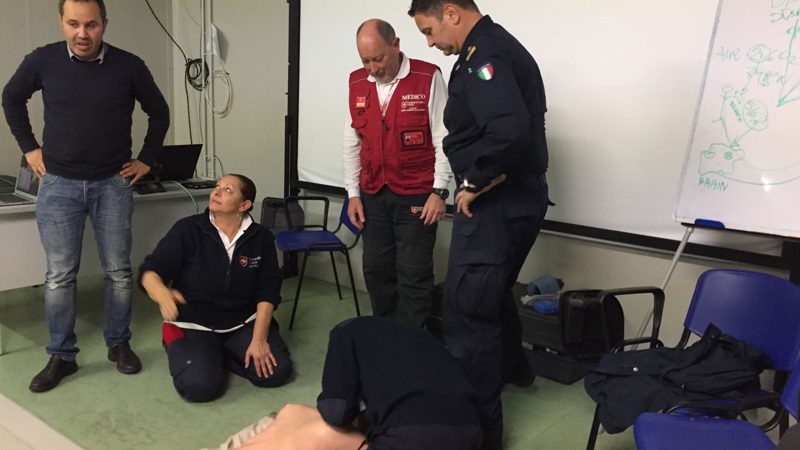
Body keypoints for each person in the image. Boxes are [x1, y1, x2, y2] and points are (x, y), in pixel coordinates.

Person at [1, 0, 170, 393]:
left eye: (91, 25)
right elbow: (11, 98)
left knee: (118, 273)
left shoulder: (129, 65)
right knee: (59, 277)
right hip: (58, 184)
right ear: (61, 23)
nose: (82, 33)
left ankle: (119, 344)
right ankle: (62, 355)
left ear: (104, 24)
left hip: (112, 183)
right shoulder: (43, 61)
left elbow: (159, 112)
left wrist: (146, 159)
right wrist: (29, 148)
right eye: (73, 24)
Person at [408, 1, 550, 448]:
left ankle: (477, 433)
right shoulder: (486, 48)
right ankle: (516, 369)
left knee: (467, 313)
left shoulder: (485, 54)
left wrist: (473, 182)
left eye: (429, 31)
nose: (430, 43)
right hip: (518, 201)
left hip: (496, 205)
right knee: (491, 293)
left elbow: (508, 131)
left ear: (451, 11)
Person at [139, 174, 293, 402]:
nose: (216, 192)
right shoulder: (188, 229)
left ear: (245, 205)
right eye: (217, 187)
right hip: (195, 323)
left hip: (242, 322)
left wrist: (259, 340)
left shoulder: (261, 237)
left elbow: (268, 292)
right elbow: (150, 271)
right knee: (200, 388)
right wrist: (162, 294)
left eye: (228, 190)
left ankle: (219, 354)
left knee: (275, 373)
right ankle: (181, 341)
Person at [343, 19, 452, 328]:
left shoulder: (427, 77)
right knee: (377, 270)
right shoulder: (356, 83)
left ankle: (411, 345)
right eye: (365, 60)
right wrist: (353, 194)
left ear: (396, 45)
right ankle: (387, 337)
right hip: (373, 193)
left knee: (413, 272)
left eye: (378, 58)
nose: (373, 68)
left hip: (417, 194)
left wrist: (439, 190)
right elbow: (352, 141)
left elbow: (444, 137)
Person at [234, 316, 482, 450]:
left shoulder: (345, 331)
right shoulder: (422, 337)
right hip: (473, 433)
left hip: (409, 438)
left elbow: (336, 411)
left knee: (311, 423)